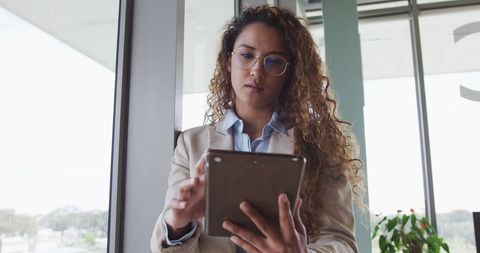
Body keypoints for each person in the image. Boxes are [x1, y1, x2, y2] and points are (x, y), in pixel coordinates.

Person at [151, 5, 365, 253]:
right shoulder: (191, 144)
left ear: (290, 73)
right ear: (227, 61)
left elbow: (342, 243)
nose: (256, 71)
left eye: (273, 61)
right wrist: (178, 223)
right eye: (246, 55)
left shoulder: (318, 146)